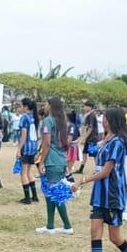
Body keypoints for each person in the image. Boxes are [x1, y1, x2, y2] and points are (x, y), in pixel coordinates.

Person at [72, 107, 127, 252]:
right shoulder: (107, 141)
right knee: (95, 232)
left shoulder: (118, 143)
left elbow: (106, 172)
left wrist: (82, 181)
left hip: (112, 194)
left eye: (105, 119)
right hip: (100, 194)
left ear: (111, 121)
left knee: (114, 237)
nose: (102, 121)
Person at [35, 98, 74, 234]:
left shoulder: (48, 121)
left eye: (46, 104)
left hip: (52, 161)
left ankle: (67, 226)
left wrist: (41, 161)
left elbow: (47, 142)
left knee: (56, 194)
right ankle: (50, 225)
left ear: (50, 106)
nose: (45, 106)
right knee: (49, 192)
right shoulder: (62, 121)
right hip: (60, 159)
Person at [14, 98, 40, 205]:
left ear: (25, 107)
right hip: (33, 147)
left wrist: (19, 149)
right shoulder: (34, 117)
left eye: (21, 106)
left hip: (26, 148)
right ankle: (34, 196)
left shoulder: (24, 118)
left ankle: (27, 198)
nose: (20, 108)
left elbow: (23, 135)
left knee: (23, 172)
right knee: (29, 171)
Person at [76, 101, 101, 174]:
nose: (84, 108)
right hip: (88, 138)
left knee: (94, 154)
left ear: (90, 107)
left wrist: (84, 138)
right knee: (84, 153)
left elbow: (90, 128)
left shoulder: (92, 116)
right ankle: (81, 168)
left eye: (86, 106)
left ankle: (97, 170)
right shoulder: (88, 115)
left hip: (92, 138)